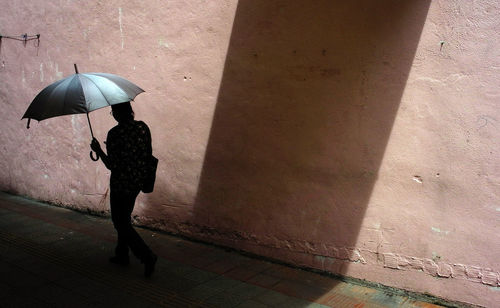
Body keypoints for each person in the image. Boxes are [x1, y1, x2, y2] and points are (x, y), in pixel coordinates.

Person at [90, 102, 157, 277]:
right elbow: (148, 153)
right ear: (130, 111)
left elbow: (112, 165)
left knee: (119, 222)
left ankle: (146, 255)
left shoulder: (115, 134)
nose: (113, 115)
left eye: (113, 112)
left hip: (120, 184)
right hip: (137, 181)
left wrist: (98, 150)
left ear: (117, 114)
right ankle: (122, 254)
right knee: (124, 218)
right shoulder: (143, 127)